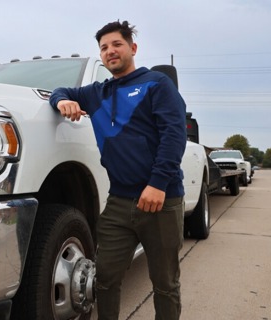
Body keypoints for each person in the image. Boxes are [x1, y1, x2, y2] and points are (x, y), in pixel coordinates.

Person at [49, 20, 187, 320]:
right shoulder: (97, 93)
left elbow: (175, 135)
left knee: (165, 284)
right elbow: (58, 90)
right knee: (105, 279)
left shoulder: (157, 84)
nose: (110, 51)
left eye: (116, 44)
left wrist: (158, 183)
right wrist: (63, 102)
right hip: (119, 202)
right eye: (104, 48)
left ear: (132, 48)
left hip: (160, 199)